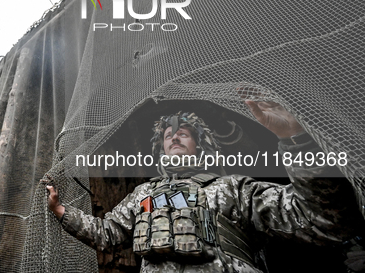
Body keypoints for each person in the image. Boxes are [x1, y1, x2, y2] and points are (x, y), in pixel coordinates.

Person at [45, 99, 361, 272]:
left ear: (202, 145)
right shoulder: (144, 195)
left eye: (184, 132)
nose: (174, 136)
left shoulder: (232, 188)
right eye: (168, 135)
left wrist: (295, 141)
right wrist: (61, 210)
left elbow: (324, 220)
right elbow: (108, 233)